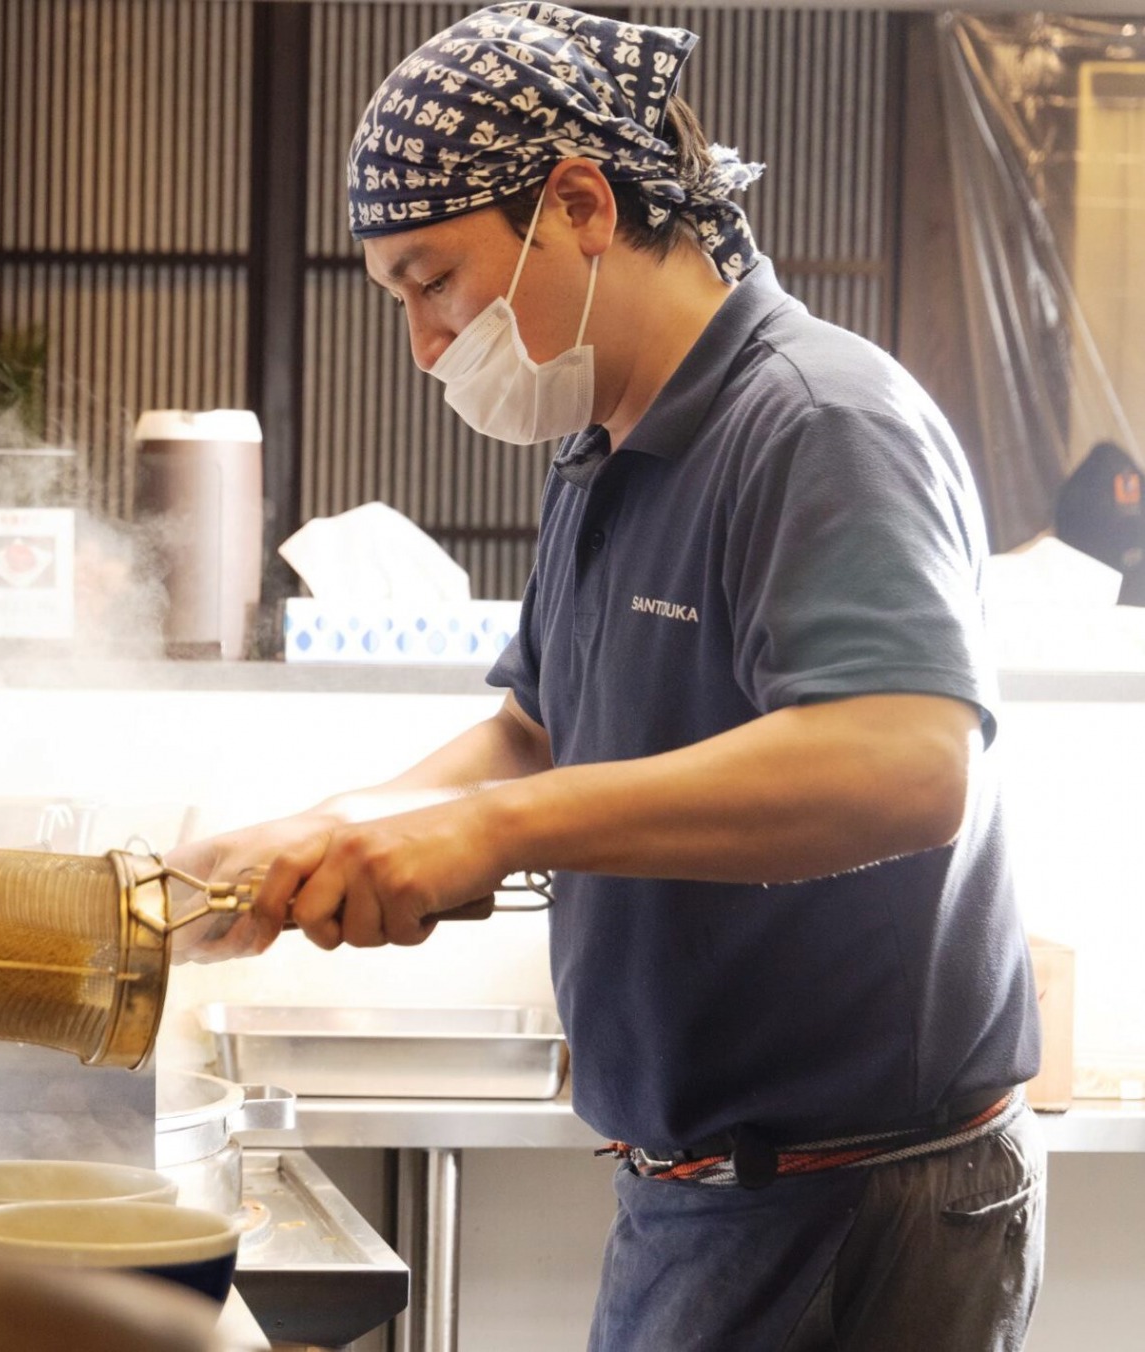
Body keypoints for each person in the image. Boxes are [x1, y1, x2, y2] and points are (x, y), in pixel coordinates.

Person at [172, 6, 1044, 1348]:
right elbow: (533, 732)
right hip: (698, 1197)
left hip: (855, 1202)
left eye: (434, 281)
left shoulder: (814, 421)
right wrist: (331, 828)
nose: (422, 345)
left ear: (580, 201)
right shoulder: (609, 447)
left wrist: (487, 833)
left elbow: (904, 762)